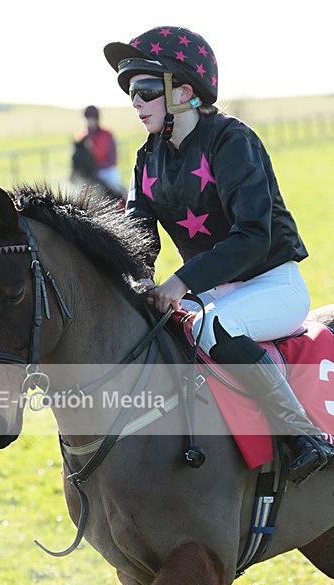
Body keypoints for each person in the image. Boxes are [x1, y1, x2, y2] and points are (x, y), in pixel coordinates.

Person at [103, 26, 334, 484]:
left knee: (214, 326)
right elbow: (137, 240)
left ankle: (302, 435)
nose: (136, 102)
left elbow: (254, 237)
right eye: (131, 92)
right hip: (212, 294)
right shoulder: (146, 159)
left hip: (273, 285)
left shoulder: (231, 140)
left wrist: (181, 281)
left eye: (147, 90)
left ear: (185, 93)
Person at [74, 105, 126, 198]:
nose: (91, 121)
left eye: (93, 118)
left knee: (117, 187)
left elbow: (112, 156)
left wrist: (101, 168)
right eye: (89, 118)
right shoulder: (82, 137)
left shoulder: (107, 134)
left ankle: (127, 203)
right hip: (91, 173)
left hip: (108, 170)